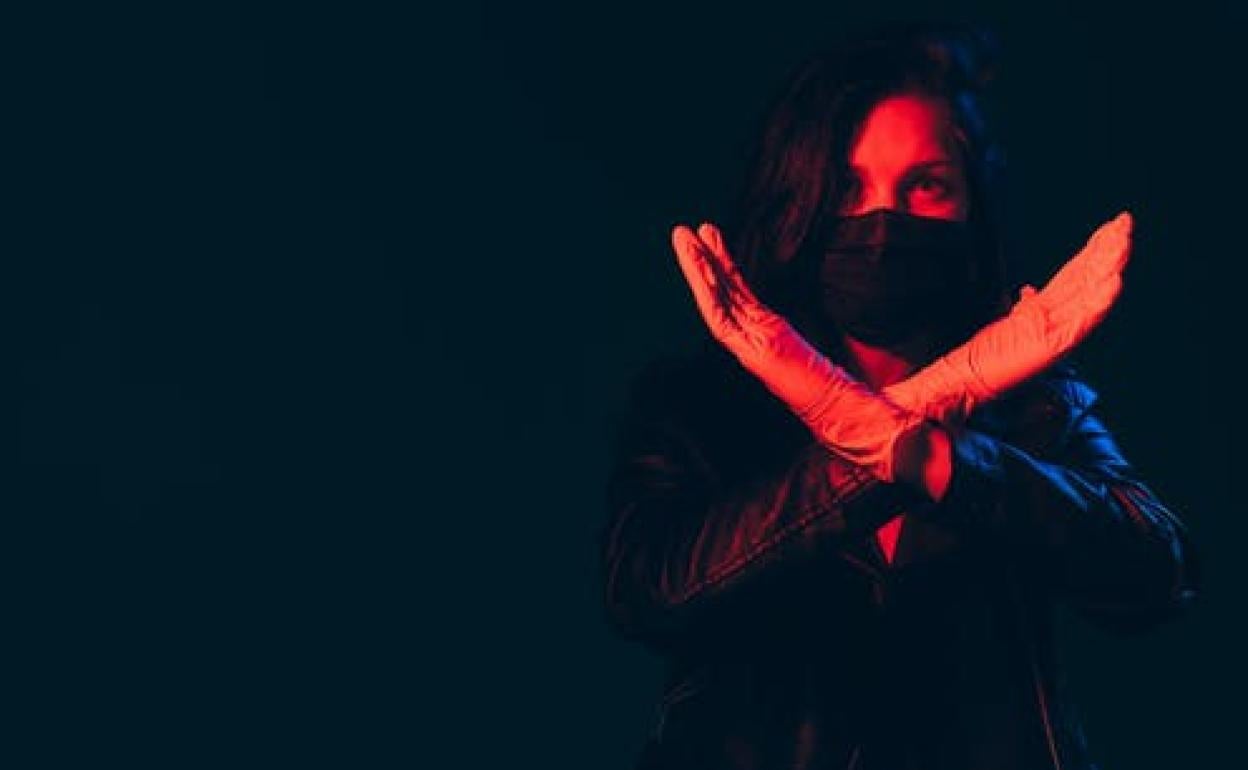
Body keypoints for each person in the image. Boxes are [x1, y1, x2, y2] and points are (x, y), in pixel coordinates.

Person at [600, 21, 1199, 770]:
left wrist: (939, 454)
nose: (884, 222)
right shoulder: (698, 404)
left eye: (928, 185)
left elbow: (1157, 573)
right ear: (799, 199)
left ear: (973, 203)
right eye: (848, 188)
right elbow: (650, 591)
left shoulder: (1033, 403)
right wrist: (924, 401)